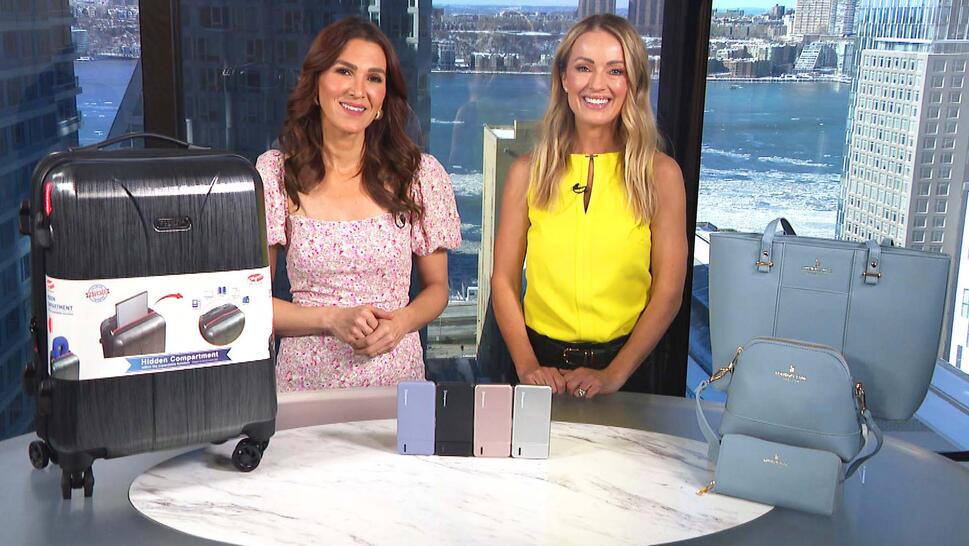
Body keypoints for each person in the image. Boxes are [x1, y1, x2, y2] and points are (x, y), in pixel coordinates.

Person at [256, 17, 461, 391]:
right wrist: (332, 319)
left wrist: (401, 323)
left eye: (374, 78)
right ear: (316, 85)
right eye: (344, 72)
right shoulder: (274, 176)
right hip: (304, 385)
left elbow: (438, 289)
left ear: (384, 99)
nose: (358, 90)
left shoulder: (419, 176)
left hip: (395, 381)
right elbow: (251, 302)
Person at [490, 14, 687, 399]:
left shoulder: (661, 175)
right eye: (584, 68)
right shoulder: (526, 172)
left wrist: (613, 375)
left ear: (633, 84)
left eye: (615, 70)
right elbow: (503, 280)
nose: (598, 84)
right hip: (538, 362)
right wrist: (528, 365)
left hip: (630, 367)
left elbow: (668, 292)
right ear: (564, 78)